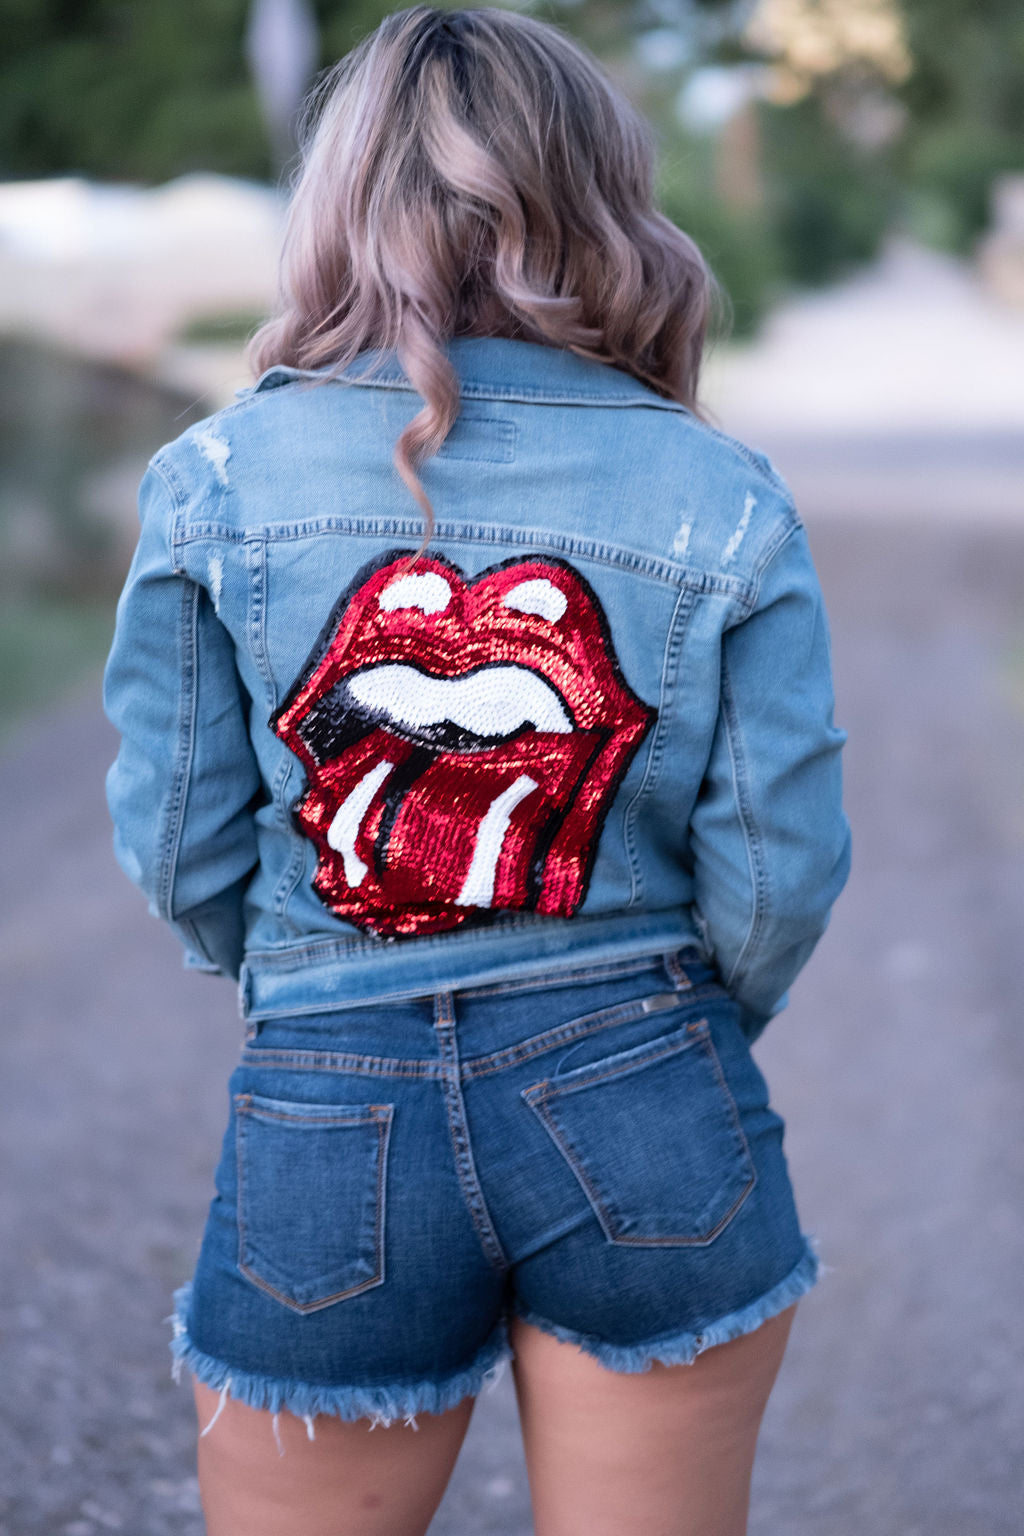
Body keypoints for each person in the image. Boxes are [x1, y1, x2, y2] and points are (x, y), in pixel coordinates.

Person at [103, 7, 851, 1533]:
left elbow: (178, 835)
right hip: (648, 1077)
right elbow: (780, 867)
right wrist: (686, 1021)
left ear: (339, 199)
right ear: (604, 199)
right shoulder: (720, 490)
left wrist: (307, 972)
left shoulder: (216, 480)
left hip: (329, 1097)